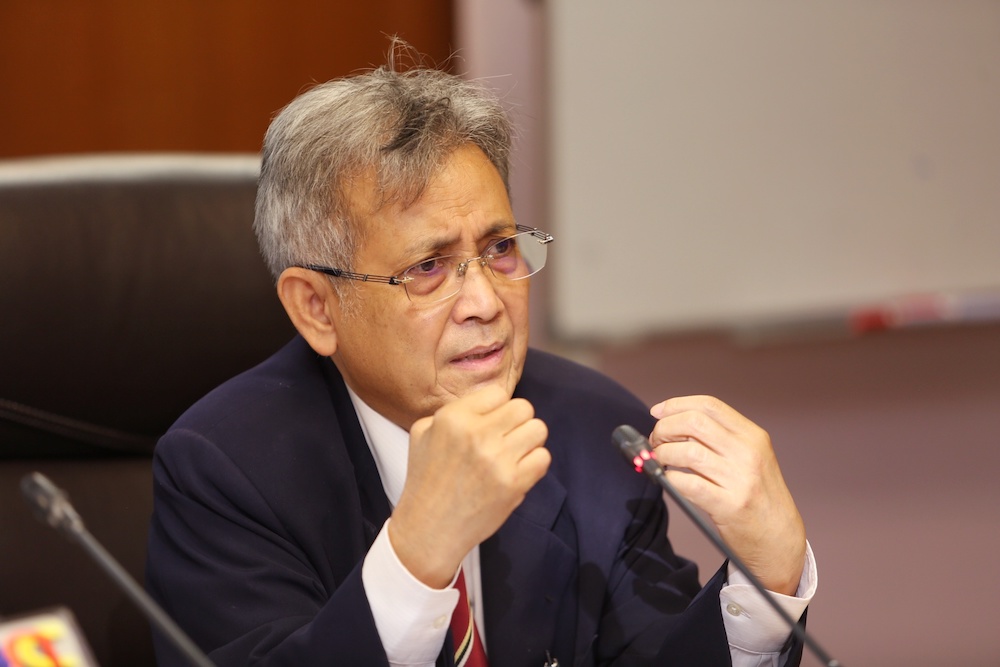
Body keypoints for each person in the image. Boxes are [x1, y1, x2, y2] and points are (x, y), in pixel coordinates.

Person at [146, 46, 815, 667]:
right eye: (428, 267)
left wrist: (770, 579)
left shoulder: (594, 431)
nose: (487, 303)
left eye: (500, 248)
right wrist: (416, 558)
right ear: (317, 307)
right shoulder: (225, 471)